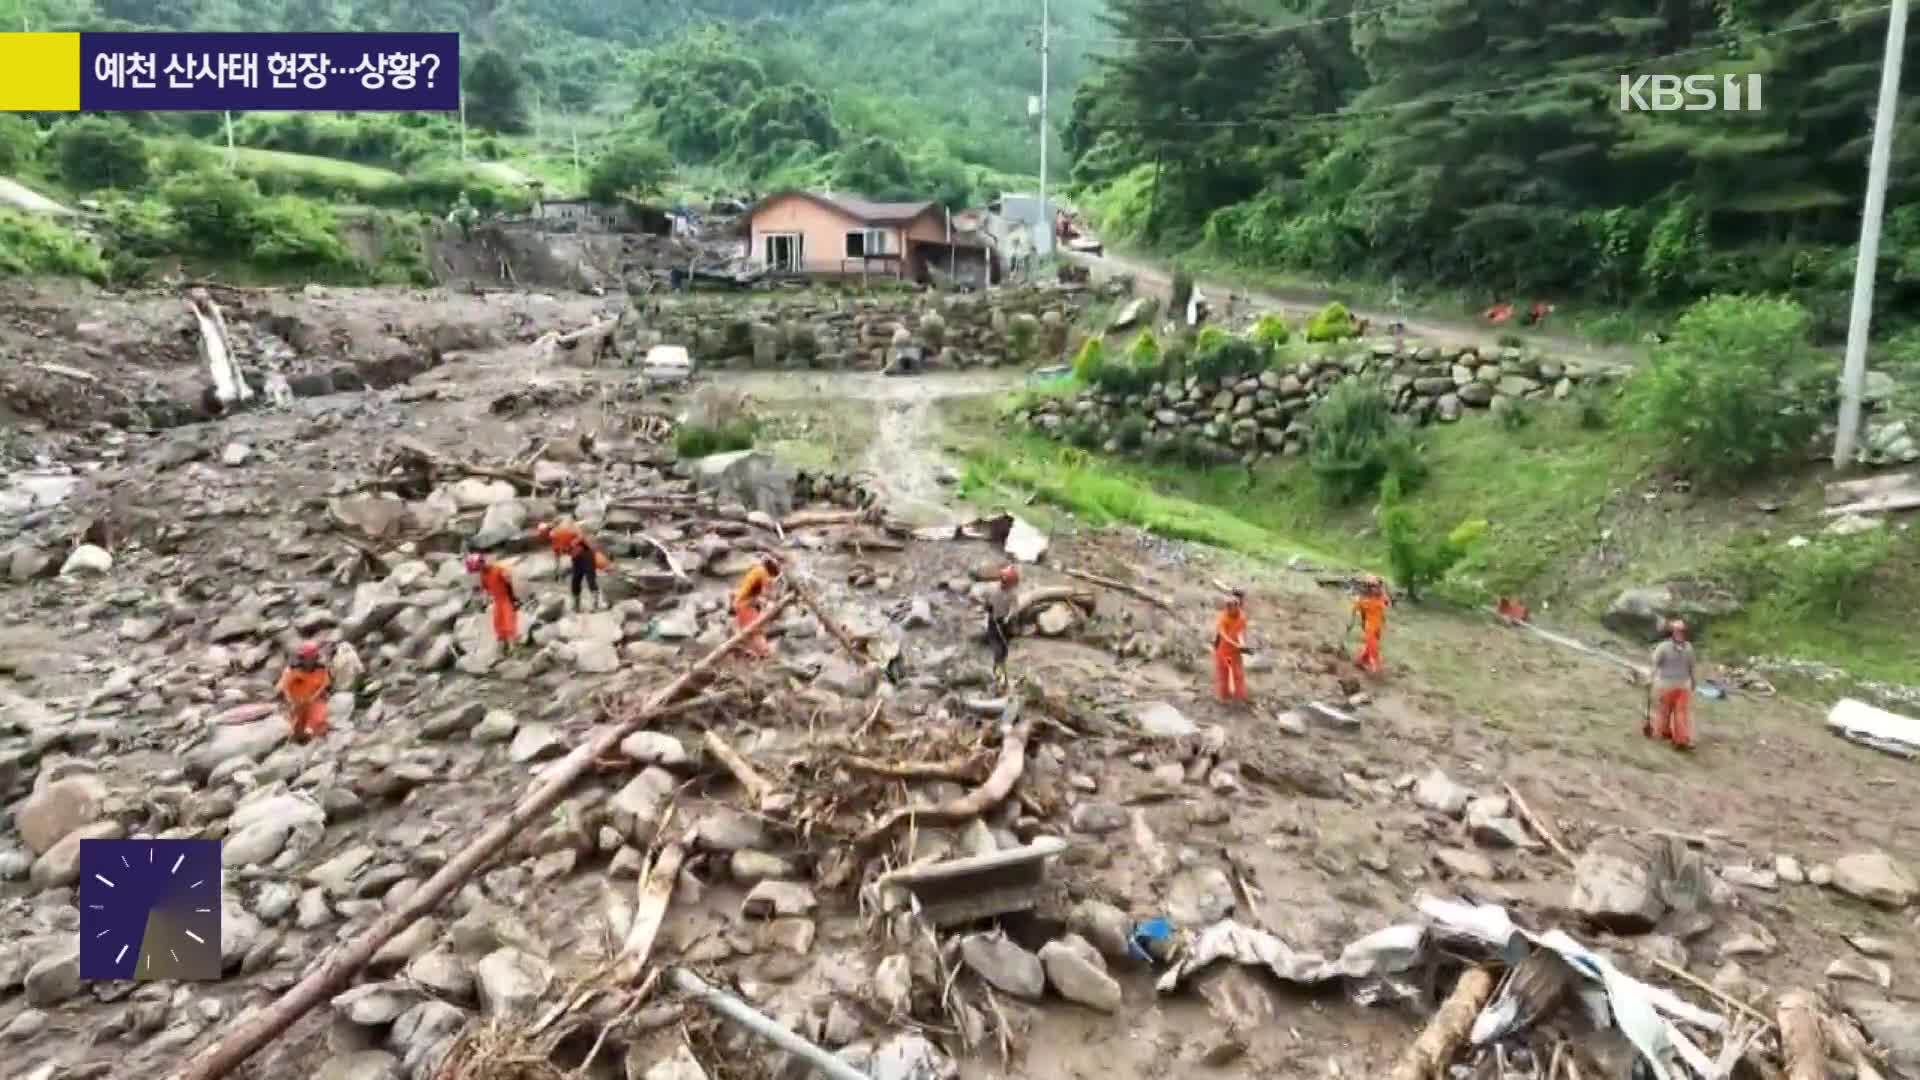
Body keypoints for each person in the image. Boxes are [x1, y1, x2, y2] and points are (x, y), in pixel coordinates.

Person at [534, 520, 606, 613]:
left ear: (546, 531)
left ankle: (595, 605)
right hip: (576, 558)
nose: (543, 537)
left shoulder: (561, 532)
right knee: (575, 581)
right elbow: (557, 557)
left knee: (590, 579)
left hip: (586, 554)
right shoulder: (554, 541)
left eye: (543, 534)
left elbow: (580, 535)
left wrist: (573, 543)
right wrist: (557, 571)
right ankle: (576, 606)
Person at [1647, 619, 1697, 751]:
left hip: (1677, 686)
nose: (1680, 633)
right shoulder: (1669, 647)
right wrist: (1650, 678)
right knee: (1667, 711)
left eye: (1681, 631)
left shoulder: (1669, 647)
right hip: (1669, 685)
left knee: (1677, 712)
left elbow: (1691, 667)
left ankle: (1679, 738)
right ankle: (1667, 733)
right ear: (1672, 632)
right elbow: (1655, 665)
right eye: (1678, 631)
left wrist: (1693, 681)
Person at [276, 640, 332, 742]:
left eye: (311, 658)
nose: (308, 660)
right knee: (295, 725)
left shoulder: (321, 669)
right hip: (296, 702)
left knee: (318, 718)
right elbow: (284, 687)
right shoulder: (292, 670)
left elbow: (323, 686)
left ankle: (311, 732)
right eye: (305, 658)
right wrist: (291, 701)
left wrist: (313, 698)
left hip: (313, 701)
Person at [466, 553, 522, 652]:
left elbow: (510, 583)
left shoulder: (498, 569)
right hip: (497, 601)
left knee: (509, 622)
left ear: (482, 563)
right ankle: (503, 647)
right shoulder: (484, 574)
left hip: (506, 599)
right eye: (478, 570)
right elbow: (486, 590)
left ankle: (513, 647)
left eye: (479, 568)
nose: (480, 570)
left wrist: (514, 598)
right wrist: (484, 602)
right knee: (498, 624)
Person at [733, 554, 782, 658]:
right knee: (756, 630)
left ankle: (750, 653)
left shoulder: (757, 570)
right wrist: (775, 599)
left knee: (748, 631)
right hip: (745, 604)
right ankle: (766, 654)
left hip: (741, 602)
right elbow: (766, 594)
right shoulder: (763, 573)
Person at [985, 564, 1019, 691]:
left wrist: (1008, 617)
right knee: (998, 650)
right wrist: (988, 609)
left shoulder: (1012, 594)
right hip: (994, 622)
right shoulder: (993, 590)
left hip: (1005, 623)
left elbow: (1014, 608)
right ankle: (997, 676)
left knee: (1004, 651)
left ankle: (1002, 674)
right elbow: (987, 605)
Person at [1213, 590, 1249, 703]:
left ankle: (1240, 698)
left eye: (1231, 606)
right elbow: (1224, 635)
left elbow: (1240, 632)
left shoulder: (1242, 617)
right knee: (1224, 674)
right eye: (1227, 606)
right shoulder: (1222, 618)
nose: (1228, 608)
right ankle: (1223, 697)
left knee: (1238, 674)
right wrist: (1238, 645)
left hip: (1235, 651)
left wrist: (1242, 644)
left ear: (1237, 606)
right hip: (1223, 651)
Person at [1350, 575, 1392, 674]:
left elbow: (1388, 604)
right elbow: (1356, 612)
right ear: (1368, 587)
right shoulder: (1363, 600)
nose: (1376, 588)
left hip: (1378, 627)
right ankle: (1375, 668)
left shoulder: (1381, 598)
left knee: (1370, 647)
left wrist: (1384, 593)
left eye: (1378, 586)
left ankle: (1359, 661)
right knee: (1373, 648)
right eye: (1374, 586)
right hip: (1369, 628)